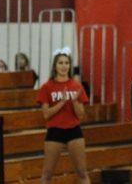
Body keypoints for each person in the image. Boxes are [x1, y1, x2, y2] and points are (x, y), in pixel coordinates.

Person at [37, 48, 90, 184]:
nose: (64, 66)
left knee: (82, 172)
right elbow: (46, 114)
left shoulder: (77, 86)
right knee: (47, 174)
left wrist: (74, 101)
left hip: (74, 130)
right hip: (55, 131)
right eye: (60, 63)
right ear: (55, 66)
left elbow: (81, 115)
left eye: (66, 63)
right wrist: (62, 102)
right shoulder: (47, 87)